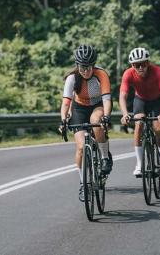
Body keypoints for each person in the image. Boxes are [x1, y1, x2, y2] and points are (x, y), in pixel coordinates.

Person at [60, 44, 113, 202]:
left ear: (93, 64)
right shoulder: (72, 78)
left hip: (97, 106)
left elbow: (107, 100)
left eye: (89, 66)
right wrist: (63, 119)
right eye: (82, 67)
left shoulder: (101, 74)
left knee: (96, 121)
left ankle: (104, 157)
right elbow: (65, 103)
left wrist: (107, 116)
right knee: (81, 147)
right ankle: (84, 184)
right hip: (79, 109)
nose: (86, 70)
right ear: (77, 65)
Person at [119, 47, 160, 178]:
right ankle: (139, 164)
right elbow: (123, 96)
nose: (141, 67)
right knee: (139, 124)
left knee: (158, 128)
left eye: (144, 64)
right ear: (132, 65)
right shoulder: (128, 74)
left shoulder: (157, 71)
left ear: (148, 63)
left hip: (156, 100)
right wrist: (125, 113)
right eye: (137, 65)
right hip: (140, 100)